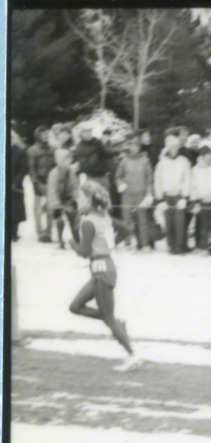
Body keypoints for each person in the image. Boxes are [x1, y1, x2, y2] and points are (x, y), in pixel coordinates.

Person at [68, 181, 140, 372]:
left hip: (101, 271)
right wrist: (110, 245)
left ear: (89, 199)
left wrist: (71, 244)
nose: (77, 200)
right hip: (105, 267)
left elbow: (84, 252)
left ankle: (132, 354)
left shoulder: (87, 221)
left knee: (107, 319)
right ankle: (117, 324)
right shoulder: (104, 217)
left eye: (80, 197)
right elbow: (126, 229)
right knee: (75, 307)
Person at [154, 135, 192, 254]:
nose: (174, 149)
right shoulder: (162, 163)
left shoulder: (184, 161)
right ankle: (171, 245)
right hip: (166, 196)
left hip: (178, 195)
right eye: (171, 147)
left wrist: (185, 197)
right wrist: (160, 199)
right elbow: (157, 180)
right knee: (168, 221)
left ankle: (180, 245)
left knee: (180, 221)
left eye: (176, 147)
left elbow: (187, 179)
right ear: (168, 148)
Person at [115, 137, 154, 250]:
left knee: (142, 219)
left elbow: (149, 178)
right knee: (126, 220)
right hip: (127, 194)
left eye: (136, 145)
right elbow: (118, 176)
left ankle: (144, 243)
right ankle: (127, 243)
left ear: (139, 147)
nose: (134, 148)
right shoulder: (124, 161)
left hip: (141, 194)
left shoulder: (145, 160)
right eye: (132, 145)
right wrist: (120, 184)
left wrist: (149, 193)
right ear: (129, 147)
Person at [190, 144, 211, 254]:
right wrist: (195, 200)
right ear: (202, 156)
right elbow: (193, 185)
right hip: (202, 200)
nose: (210, 157)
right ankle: (203, 246)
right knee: (203, 225)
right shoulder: (195, 169)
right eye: (207, 155)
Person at [47, 149, 81, 249]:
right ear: (59, 161)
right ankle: (60, 240)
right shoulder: (53, 174)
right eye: (65, 160)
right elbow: (52, 192)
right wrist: (56, 206)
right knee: (59, 220)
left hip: (68, 200)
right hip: (56, 201)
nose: (68, 162)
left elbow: (75, 187)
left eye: (69, 160)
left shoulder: (71, 173)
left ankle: (77, 239)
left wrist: (75, 200)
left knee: (74, 217)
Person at [27, 126, 56, 242]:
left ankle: (48, 232)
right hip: (39, 181)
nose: (46, 136)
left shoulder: (53, 149)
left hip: (51, 181)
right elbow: (31, 168)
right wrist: (35, 182)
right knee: (38, 210)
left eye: (47, 134)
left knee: (51, 208)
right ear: (38, 136)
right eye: (43, 134)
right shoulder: (32, 150)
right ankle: (40, 232)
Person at [9, 125, 29, 242]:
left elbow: (23, 169)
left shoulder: (20, 151)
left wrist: (16, 182)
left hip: (15, 185)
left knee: (15, 211)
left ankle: (14, 233)